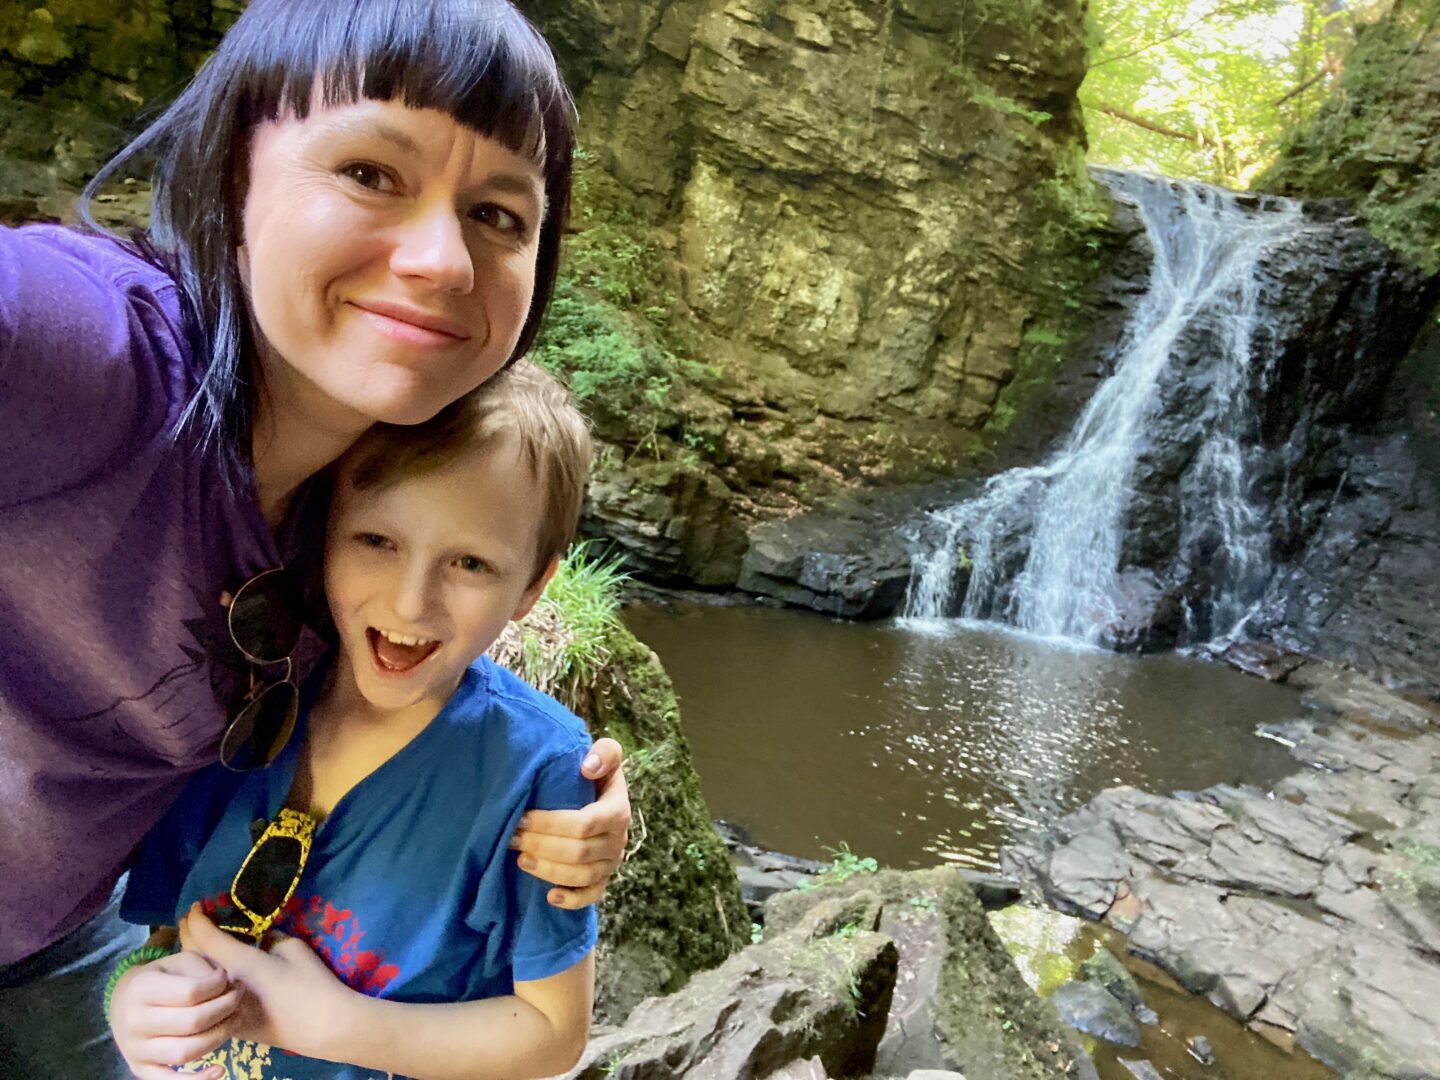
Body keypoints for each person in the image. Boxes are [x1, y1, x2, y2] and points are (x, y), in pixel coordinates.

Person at [0, 3, 630, 1075]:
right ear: (231, 170)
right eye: (372, 173)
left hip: (50, 944)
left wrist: (572, 800)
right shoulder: (91, 355)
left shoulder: (355, 516)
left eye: (499, 214)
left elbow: (435, 689)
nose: (443, 260)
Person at [111, 361, 600, 1080]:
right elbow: (164, 939)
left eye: (469, 562)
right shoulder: (239, 704)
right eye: (377, 540)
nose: (409, 604)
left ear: (533, 586)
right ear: (324, 530)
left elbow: (554, 1032)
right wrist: (135, 1002)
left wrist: (344, 1028)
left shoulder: (540, 773)